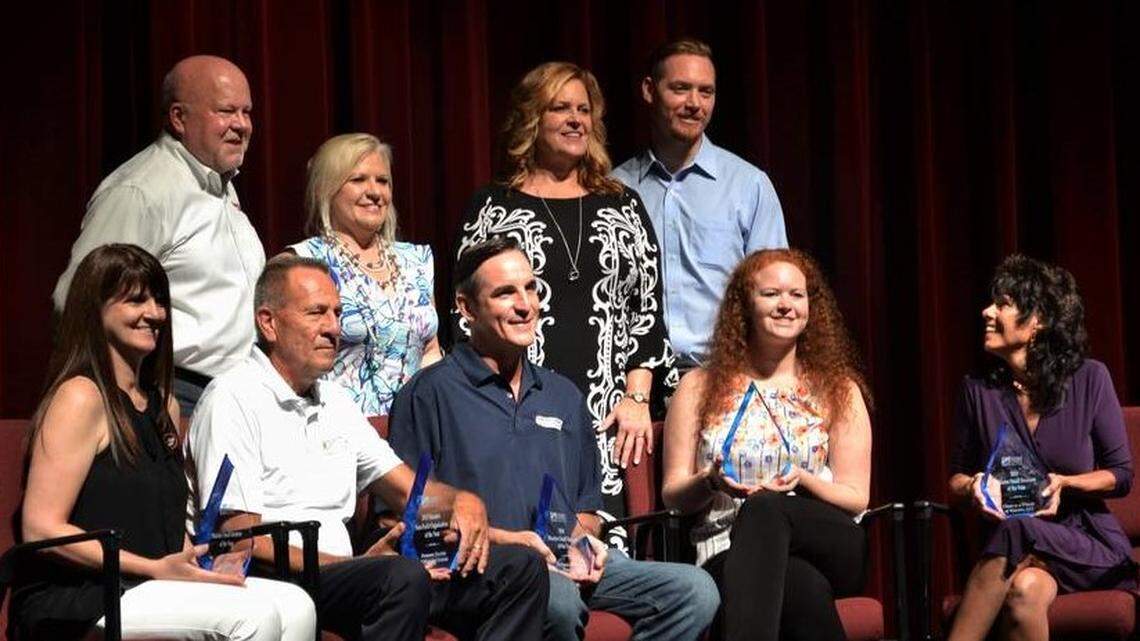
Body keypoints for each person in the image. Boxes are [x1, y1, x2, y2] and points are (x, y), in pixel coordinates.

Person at [189, 254, 548, 641]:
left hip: (354, 578)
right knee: (399, 577)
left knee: (519, 569)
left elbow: (410, 492)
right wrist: (350, 566)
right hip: (280, 580)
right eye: (316, 313)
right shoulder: (232, 398)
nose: (333, 328)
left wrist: (463, 502)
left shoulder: (335, 402)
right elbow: (238, 540)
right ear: (268, 323)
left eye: (337, 313)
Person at [392, 237, 719, 641]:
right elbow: (413, 519)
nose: (525, 305)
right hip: (478, 568)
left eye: (530, 288)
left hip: (559, 562)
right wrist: (518, 547)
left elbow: (586, 508)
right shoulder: (429, 394)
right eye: (505, 293)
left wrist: (578, 546)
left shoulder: (563, 395)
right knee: (557, 598)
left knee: (694, 592)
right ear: (466, 307)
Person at [13, 244, 314, 640]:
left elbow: (158, 516)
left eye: (158, 300)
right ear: (96, 310)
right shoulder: (81, 397)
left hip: (152, 582)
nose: (154, 313)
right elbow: (40, 528)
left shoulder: (164, 407)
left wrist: (196, 561)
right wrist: (152, 568)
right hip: (84, 595)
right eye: (136, 300)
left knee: (295, 605)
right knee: (250, 617)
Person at [452, 62, 672, 548]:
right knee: (534, 552)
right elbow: (463, 321)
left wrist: (638, 399)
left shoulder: (624, 204)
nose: (575, 119)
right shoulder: (493, 207)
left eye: (583, 109)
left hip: (611, 418)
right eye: (560, 108)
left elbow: (647, 315)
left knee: (602, 557)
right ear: (533, 118)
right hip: (517, 411)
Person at [662, 248, 872, 641]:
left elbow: (856, 497)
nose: (786, 305)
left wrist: (804, 480)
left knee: (765, 509)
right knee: (799, 587)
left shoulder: (839, 389)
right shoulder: (698, 388)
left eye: (797, 294)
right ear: (745, 305)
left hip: (830, 541)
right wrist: (709, 481)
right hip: (727, 548)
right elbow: (674, 494)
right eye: (771, 294)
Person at [52, 55, 263, 415]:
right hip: (173, 394)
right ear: (179, 118)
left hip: (234, 395)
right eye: (226, 111)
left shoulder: (221, 185)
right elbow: (77, 297)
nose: (241, 125)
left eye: (247, 112)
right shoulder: (142, 191)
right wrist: (135, 397)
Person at [945, 255, 1135, 641]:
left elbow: (1121, 475)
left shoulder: (1089, 378)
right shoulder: (978, 390)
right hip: (1021, 553)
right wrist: (973, 486)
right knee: (1024, 594)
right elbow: (956, 477)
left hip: (1084, 543)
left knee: (1018, 529)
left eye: (1003, 303)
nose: (987, 311)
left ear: (1039, 321)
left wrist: (1066, 483)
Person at [613, 38, 788, 371]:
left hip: (725, 375)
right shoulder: (615, 189)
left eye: (705, 92)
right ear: (649, 90)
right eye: (680, 89)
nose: (694, 103)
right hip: (637, 383)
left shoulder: (749, 185)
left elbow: (775, 293)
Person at [283, 133, 441, 416]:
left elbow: (430, 350)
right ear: (326, 189)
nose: (374, 192)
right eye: (358, 180)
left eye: (382, 181)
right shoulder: (304, 262)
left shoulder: (416, 260)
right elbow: (288, 360)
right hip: (338, 431)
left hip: (416, 428)